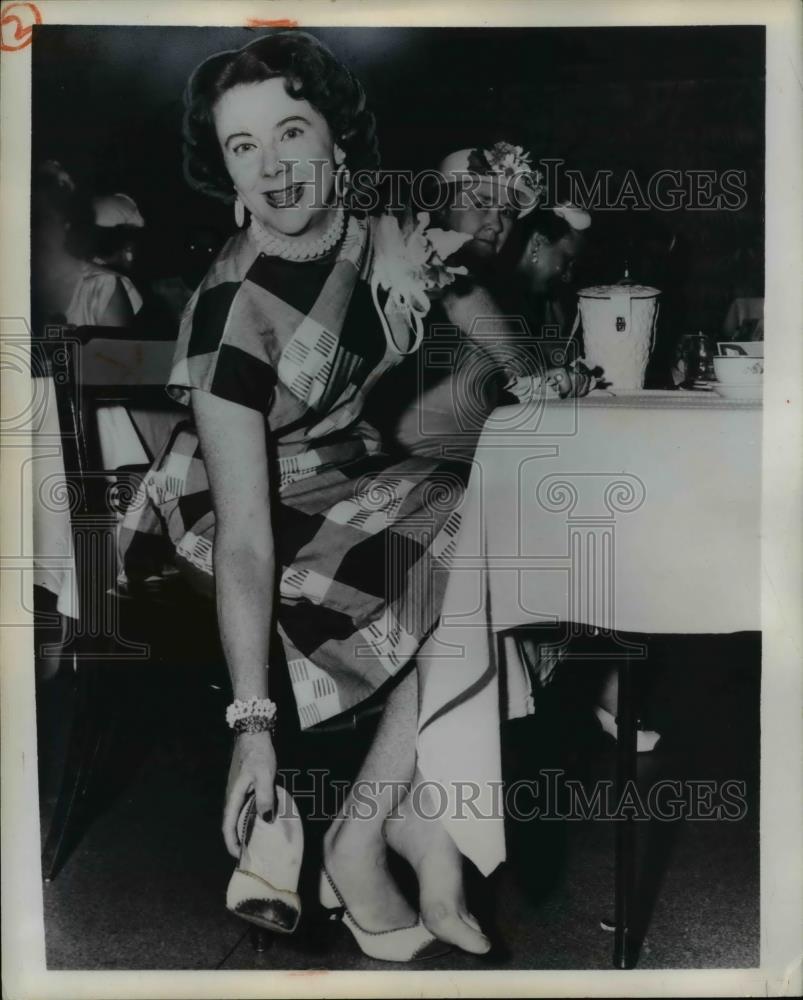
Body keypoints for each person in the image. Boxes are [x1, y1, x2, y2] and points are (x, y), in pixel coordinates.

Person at [118, 31, 495, 959]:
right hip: (229, 502)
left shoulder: (372, 230)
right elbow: (248, 538)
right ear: (226, 171)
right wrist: (252, 726)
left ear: (336, 144)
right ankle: (393, 832)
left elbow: (450, 288)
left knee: (513, 519)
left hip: (345, 466)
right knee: (453, 546)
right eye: (244, 147)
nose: (276, 167)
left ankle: (377, 823)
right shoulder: (226, 315)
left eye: (291, 131)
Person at [368, 145, 589, 461]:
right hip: (418, 469)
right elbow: (458, 294)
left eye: (507, 212)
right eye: (482, 204)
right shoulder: (408, 264)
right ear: (441, 207)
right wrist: (539, 378)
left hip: (474, 467)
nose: (497, 224)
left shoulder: (496, 289)